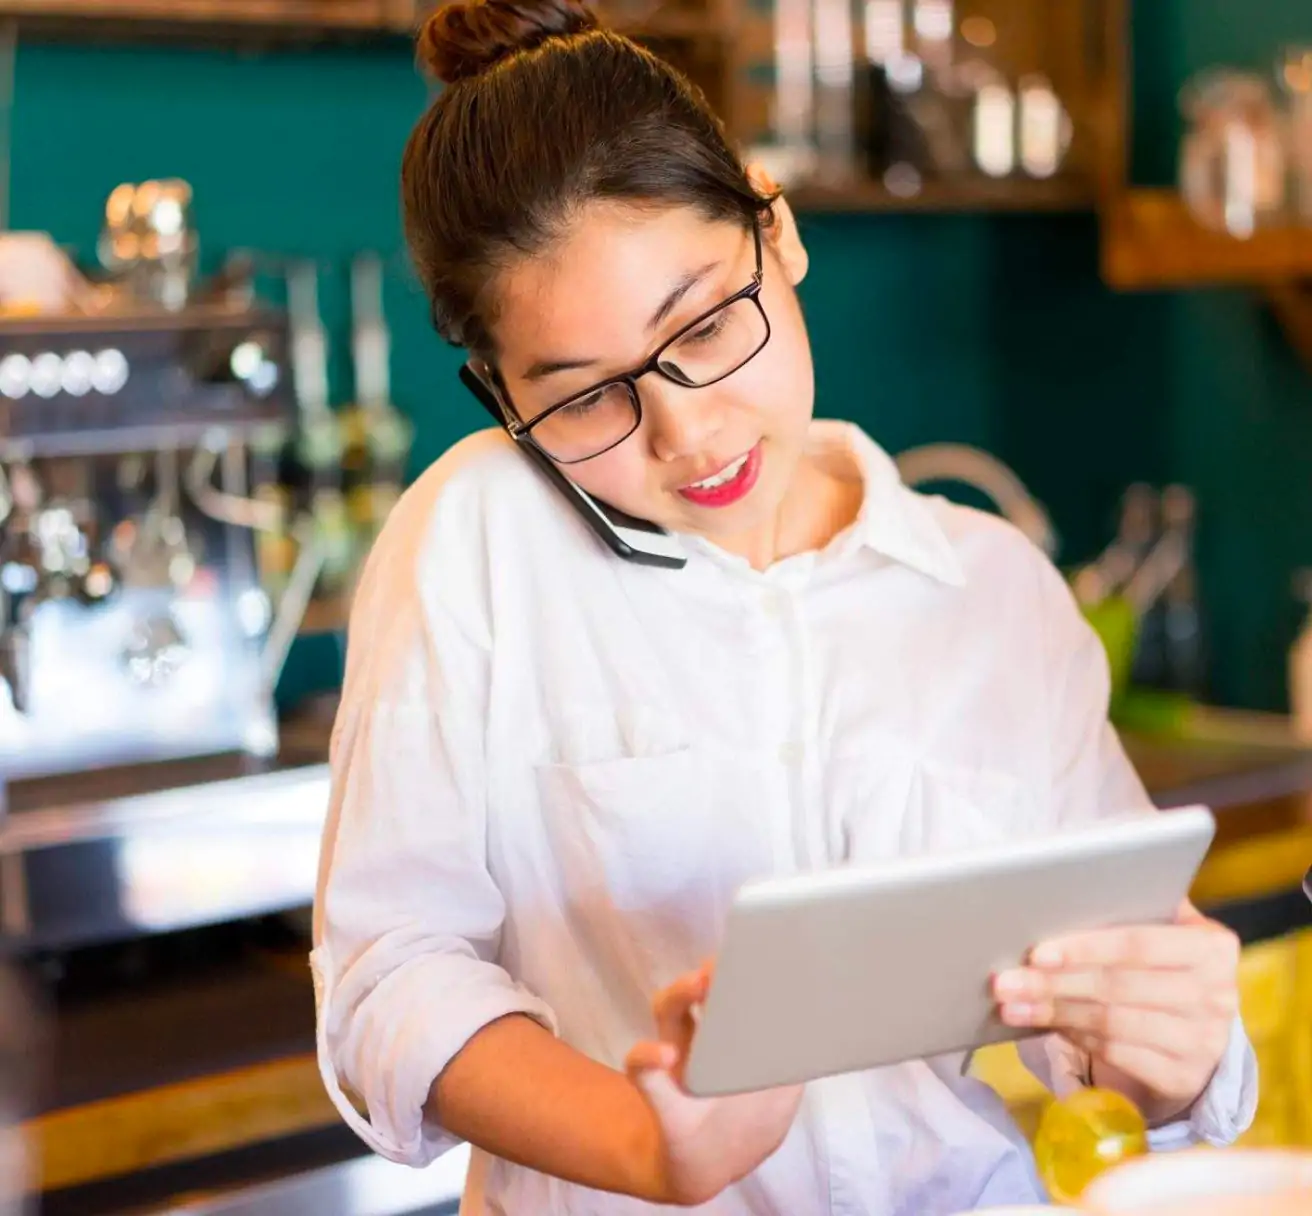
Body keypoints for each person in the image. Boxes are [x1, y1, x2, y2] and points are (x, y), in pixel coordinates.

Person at [311, 1, 1258, 1210]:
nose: (686, 429)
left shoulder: (992, 588)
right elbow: (388, 975)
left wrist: (1175, 1056)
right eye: (585, 397)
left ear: (779, 229)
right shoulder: (478, 538)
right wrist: (646, 1142)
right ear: (500, 395)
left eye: (704, 323)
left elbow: (1104, 983)